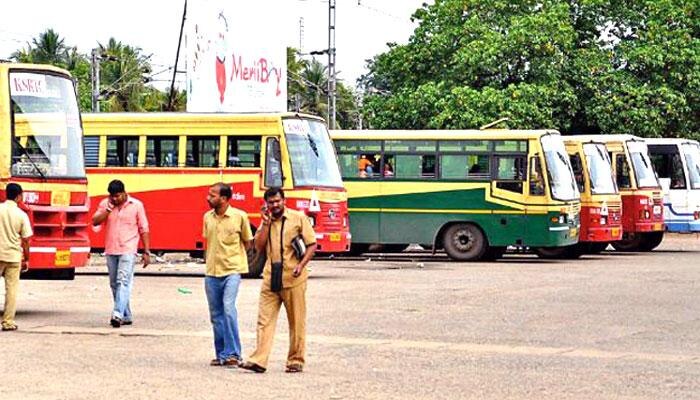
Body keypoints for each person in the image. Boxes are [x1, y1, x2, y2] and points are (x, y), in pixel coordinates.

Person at [239, 187, 316, 374]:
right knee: (264, 320)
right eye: (271, 202)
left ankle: (295, 360)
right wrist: (265, 224)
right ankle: (259, 360)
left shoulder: (298, 218)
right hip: (270, 277)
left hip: (293, 277)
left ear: (284, 200)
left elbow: (311, 244)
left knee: (296, 321)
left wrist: (301, 265)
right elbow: (258, 246)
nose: (274, 205)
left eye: (277, 201)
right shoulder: (267, 221)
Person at [202, 182, 253, 367]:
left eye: (213, 195)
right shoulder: (207, 217)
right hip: (211, 273)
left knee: (228, 309)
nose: (209, 198)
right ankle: (222, 354)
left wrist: (236, 260)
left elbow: (248, 243)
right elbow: (208, 242)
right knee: (216, 315)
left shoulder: (240, 217)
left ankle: (234, 353)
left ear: (223, 198)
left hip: (232, 270)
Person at [92, 179, 150, 328]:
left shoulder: (136, 205)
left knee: (123, 281)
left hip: (128, 249)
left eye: (118, 196)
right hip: (111, 249)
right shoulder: (105, 204)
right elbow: (95, 221)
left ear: (124, 193)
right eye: (113, 196)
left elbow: (144, 228)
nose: (115, 199)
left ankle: (117, 314)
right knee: (114, 284)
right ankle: (126, 314)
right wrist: (108, 209)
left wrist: (146, 251)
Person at [0, 183, 32, 331]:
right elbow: (26, 240)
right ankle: (8, 322)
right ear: (19, 196)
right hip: (13, 257)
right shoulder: (21, 215)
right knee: (11, 290)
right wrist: (27, 258)